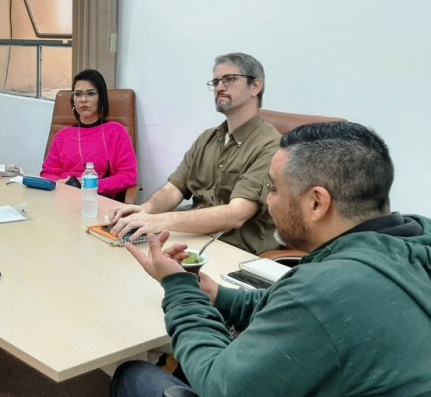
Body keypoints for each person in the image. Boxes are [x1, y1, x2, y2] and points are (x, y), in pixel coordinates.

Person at [112, 122, 431, 396]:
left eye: (275, 189)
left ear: (317, 202)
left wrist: (179, 287)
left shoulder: (326, 289)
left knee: (135, 376)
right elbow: (298, 308)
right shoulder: (409, 243)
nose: (267, 201)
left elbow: (219, 385)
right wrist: (219, 296)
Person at [110, 52, 281, 254]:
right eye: (216, 82)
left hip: (233, 248)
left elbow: (237, 214)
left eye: (229, 79)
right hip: (193, 239)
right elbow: (174, 189)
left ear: (255, 86)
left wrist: (160, 220)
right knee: (118, 249)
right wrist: (144, 210)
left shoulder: (270, 146)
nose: (219, 87)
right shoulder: (207, 138)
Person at [41, 69, 138, 201]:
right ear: (73, 99)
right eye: (78, 94)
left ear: (101, 98)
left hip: (98, 200)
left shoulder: (116, 131)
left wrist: (89, 185)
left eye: (90, 94)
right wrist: (63, 184)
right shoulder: (62, 136)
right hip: (62, 199)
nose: (83, 100)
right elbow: (47, 174)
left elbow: (128, 176)